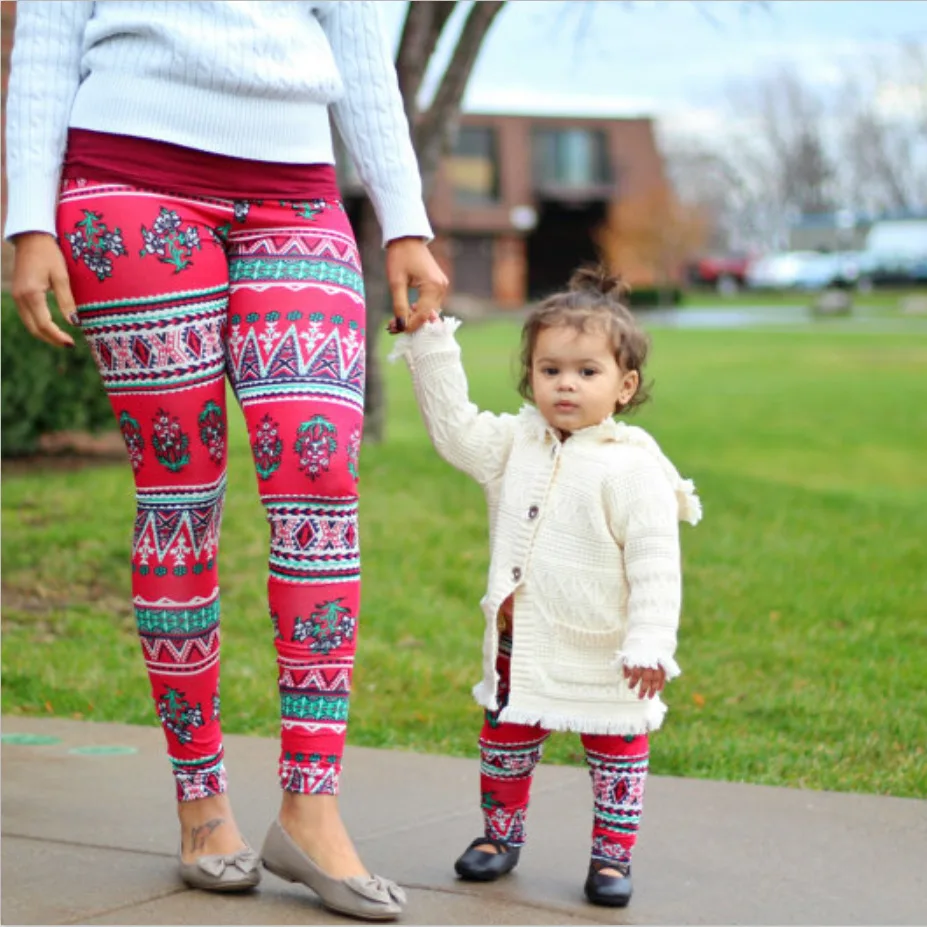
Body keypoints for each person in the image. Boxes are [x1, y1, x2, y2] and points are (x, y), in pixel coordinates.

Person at [5, 1, 447, 920]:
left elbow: (361, 49)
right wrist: (26, 219)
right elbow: (45, 41)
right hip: (126, 181)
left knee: (321, 484)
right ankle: (202, 803)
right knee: (179, 492)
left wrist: (404, 216)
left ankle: (311, 807)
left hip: (298, 192)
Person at [390, 266, 701, 907]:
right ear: (529, 377)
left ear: (625, 385)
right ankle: (498, 838)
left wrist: (649, 641)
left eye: (588, 372)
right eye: (550, 369)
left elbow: (655, 564)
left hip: (606, 647)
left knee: (616, 757)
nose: (566, 383)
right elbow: (452, 428)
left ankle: (611, 859)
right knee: (505, 743)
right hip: (521, 641)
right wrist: (428, 342)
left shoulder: (634, 467)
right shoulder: (514, 445)